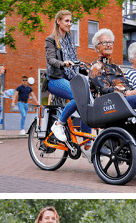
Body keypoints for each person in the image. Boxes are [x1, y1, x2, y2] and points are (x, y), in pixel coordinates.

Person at [45, 10, 94, 158]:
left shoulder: (70, 40)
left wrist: (85, 69)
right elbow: (50, 60)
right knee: (76, 97)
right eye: (66, 21)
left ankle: (86, 143)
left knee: (88, 101)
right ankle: (59, 124)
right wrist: (62, 63)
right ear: (58, 21)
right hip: (55, 80)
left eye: (70, 21)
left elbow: (75, 62)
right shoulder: (51, 39)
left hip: (70, 78)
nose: (69, 24)